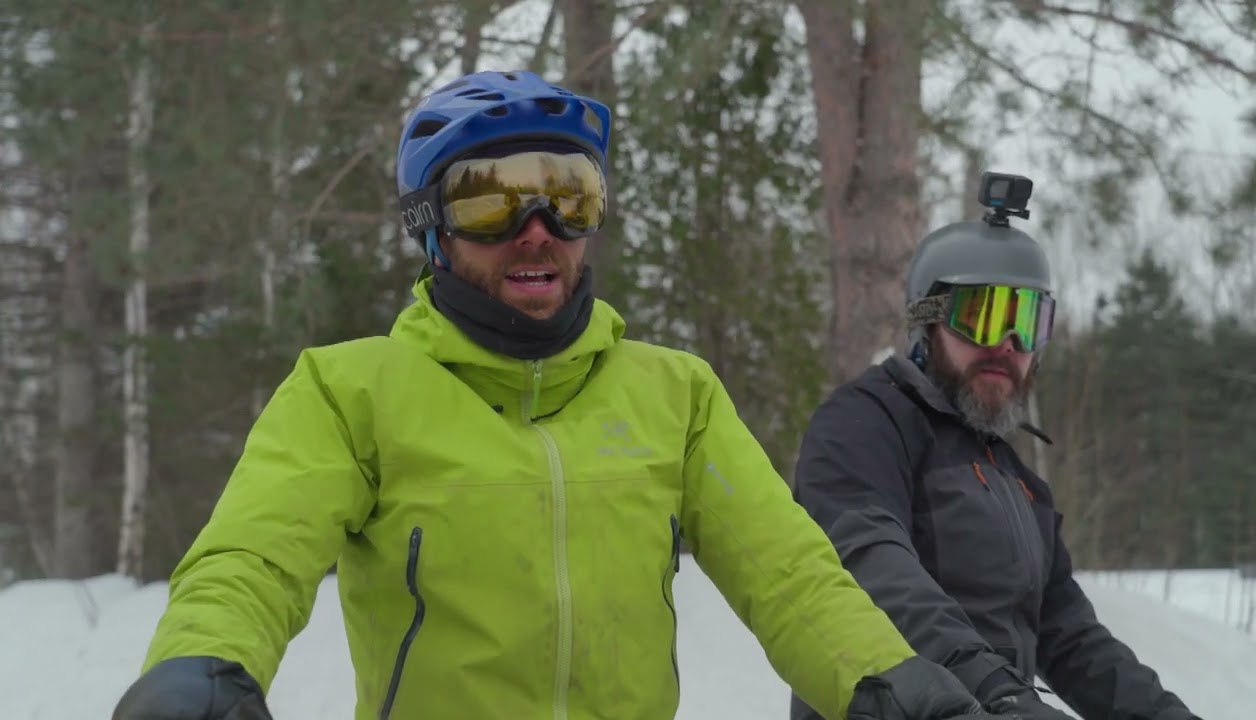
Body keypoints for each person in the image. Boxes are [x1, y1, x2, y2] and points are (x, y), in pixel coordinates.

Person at [110, 70, 1006, 720]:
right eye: (492, 202)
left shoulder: (675, 393)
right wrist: (204, 665)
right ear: (431, 230)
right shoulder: (350, 392)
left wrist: (889, 678)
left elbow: (791, 575)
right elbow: (250, 559)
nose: (538, 232)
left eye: (568, 196)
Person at [788, 173, 1203, 720]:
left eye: (1027, 324)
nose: (1007, 348)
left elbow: (1073, 639)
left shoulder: (1019, 484)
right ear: (926, 321)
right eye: (983, 317)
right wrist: (999, 691)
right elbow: (873, 569)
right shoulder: (863, 423)